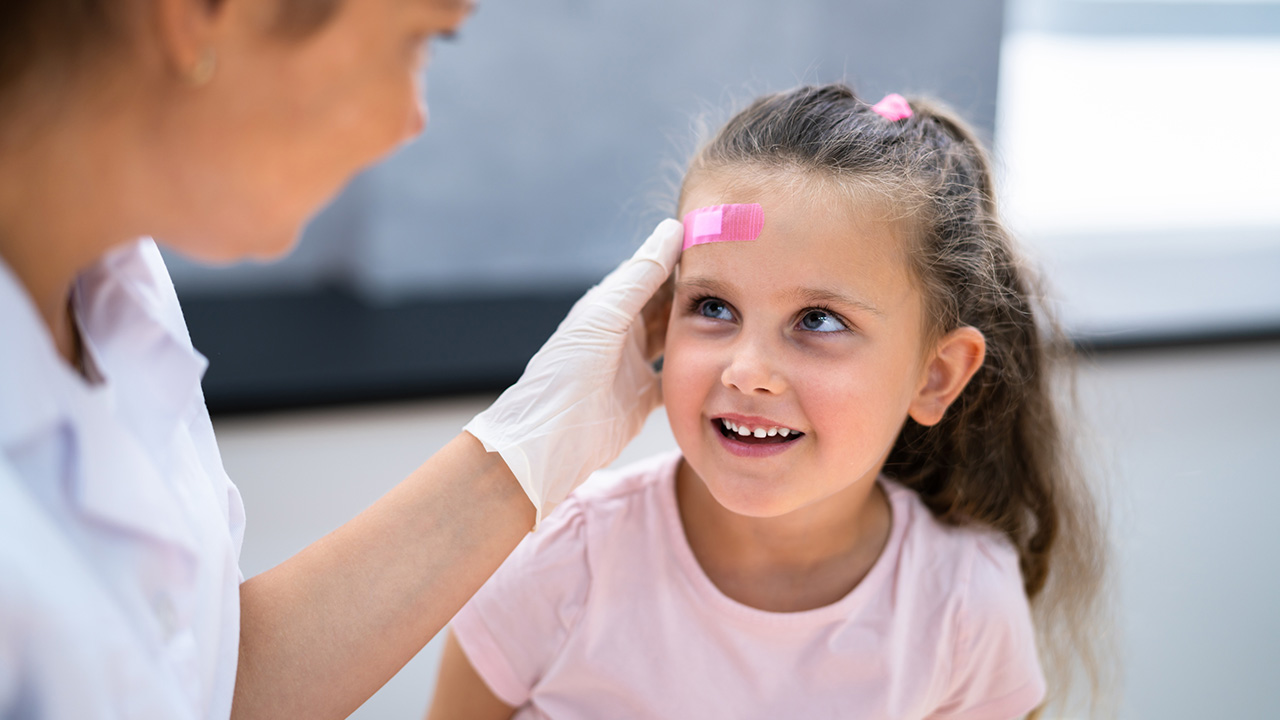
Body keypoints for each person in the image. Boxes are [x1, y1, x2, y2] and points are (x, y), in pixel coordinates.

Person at [0, 1, 683, 719]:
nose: (412, 119)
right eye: (421, 40)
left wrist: (527, 446)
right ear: (200, 14)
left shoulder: (112, 292)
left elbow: (198, 686)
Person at [427, 84, 1110, 720]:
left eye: (818, 320)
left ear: (935, 376)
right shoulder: (558, 562)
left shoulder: (965, 604)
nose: (748, 371)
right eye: (714, 305)